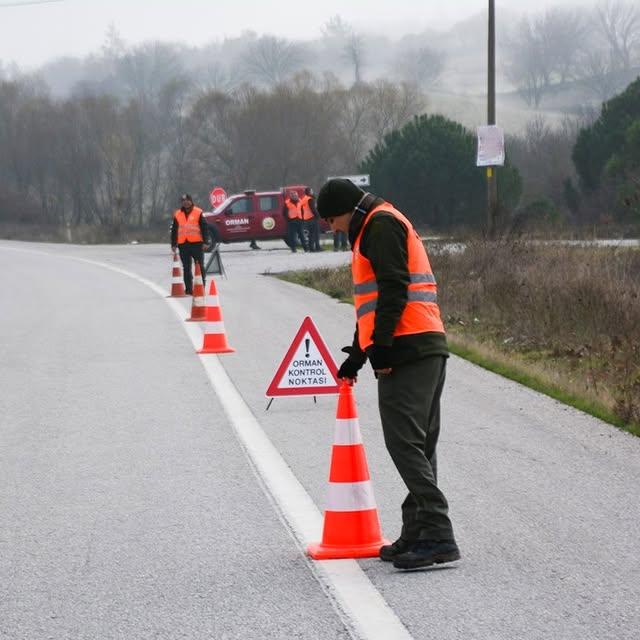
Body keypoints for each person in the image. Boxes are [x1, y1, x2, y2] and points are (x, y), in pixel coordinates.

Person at [316, 178, 460, 571]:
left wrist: (380, 347)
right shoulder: (378, 223)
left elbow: (395, 288)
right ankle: (416, 532)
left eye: (331, 220)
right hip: (424, 345)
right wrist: (359, 354)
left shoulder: (379, 226)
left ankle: (437, 532)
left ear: (346, 209)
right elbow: (375, 301)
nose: (332, 228)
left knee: (404, 445)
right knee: (420, 445)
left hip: (408, 350)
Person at [170, 194, 209, 294]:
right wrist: (173, 244)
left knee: (199, 266)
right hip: (183, 244)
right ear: (181, 203)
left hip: (197, 244)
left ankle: (201, 287)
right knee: (186, 267)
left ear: (191, 201)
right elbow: (174, 230)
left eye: (187, 200)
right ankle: (188, 289)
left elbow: (204, 228)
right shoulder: (177, 214)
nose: (185, 202)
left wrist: (206, 242)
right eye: (183, 201)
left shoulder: (198, 212)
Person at [300, 187, 321, 252]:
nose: (312, 192)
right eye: (312, 190)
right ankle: (317, 248)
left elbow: (302, 210)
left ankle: (311, 248)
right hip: (312, 218)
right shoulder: (310, 199)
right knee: (316, 233)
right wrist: (318, 216)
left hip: (306, 219)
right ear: (309, 192)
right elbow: (313, 209)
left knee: (310, 234)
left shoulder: (303, 199)